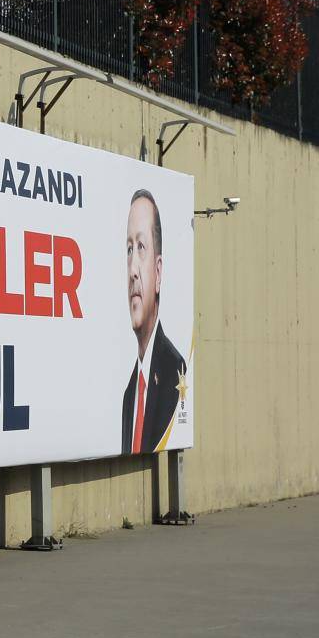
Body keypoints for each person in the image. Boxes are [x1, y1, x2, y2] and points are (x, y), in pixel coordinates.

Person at [122, 189, 187, 455]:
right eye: (128, 249)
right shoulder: (129, 395)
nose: (132, 269)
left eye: (140, 247)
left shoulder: (175, 369)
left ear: (158, 272)